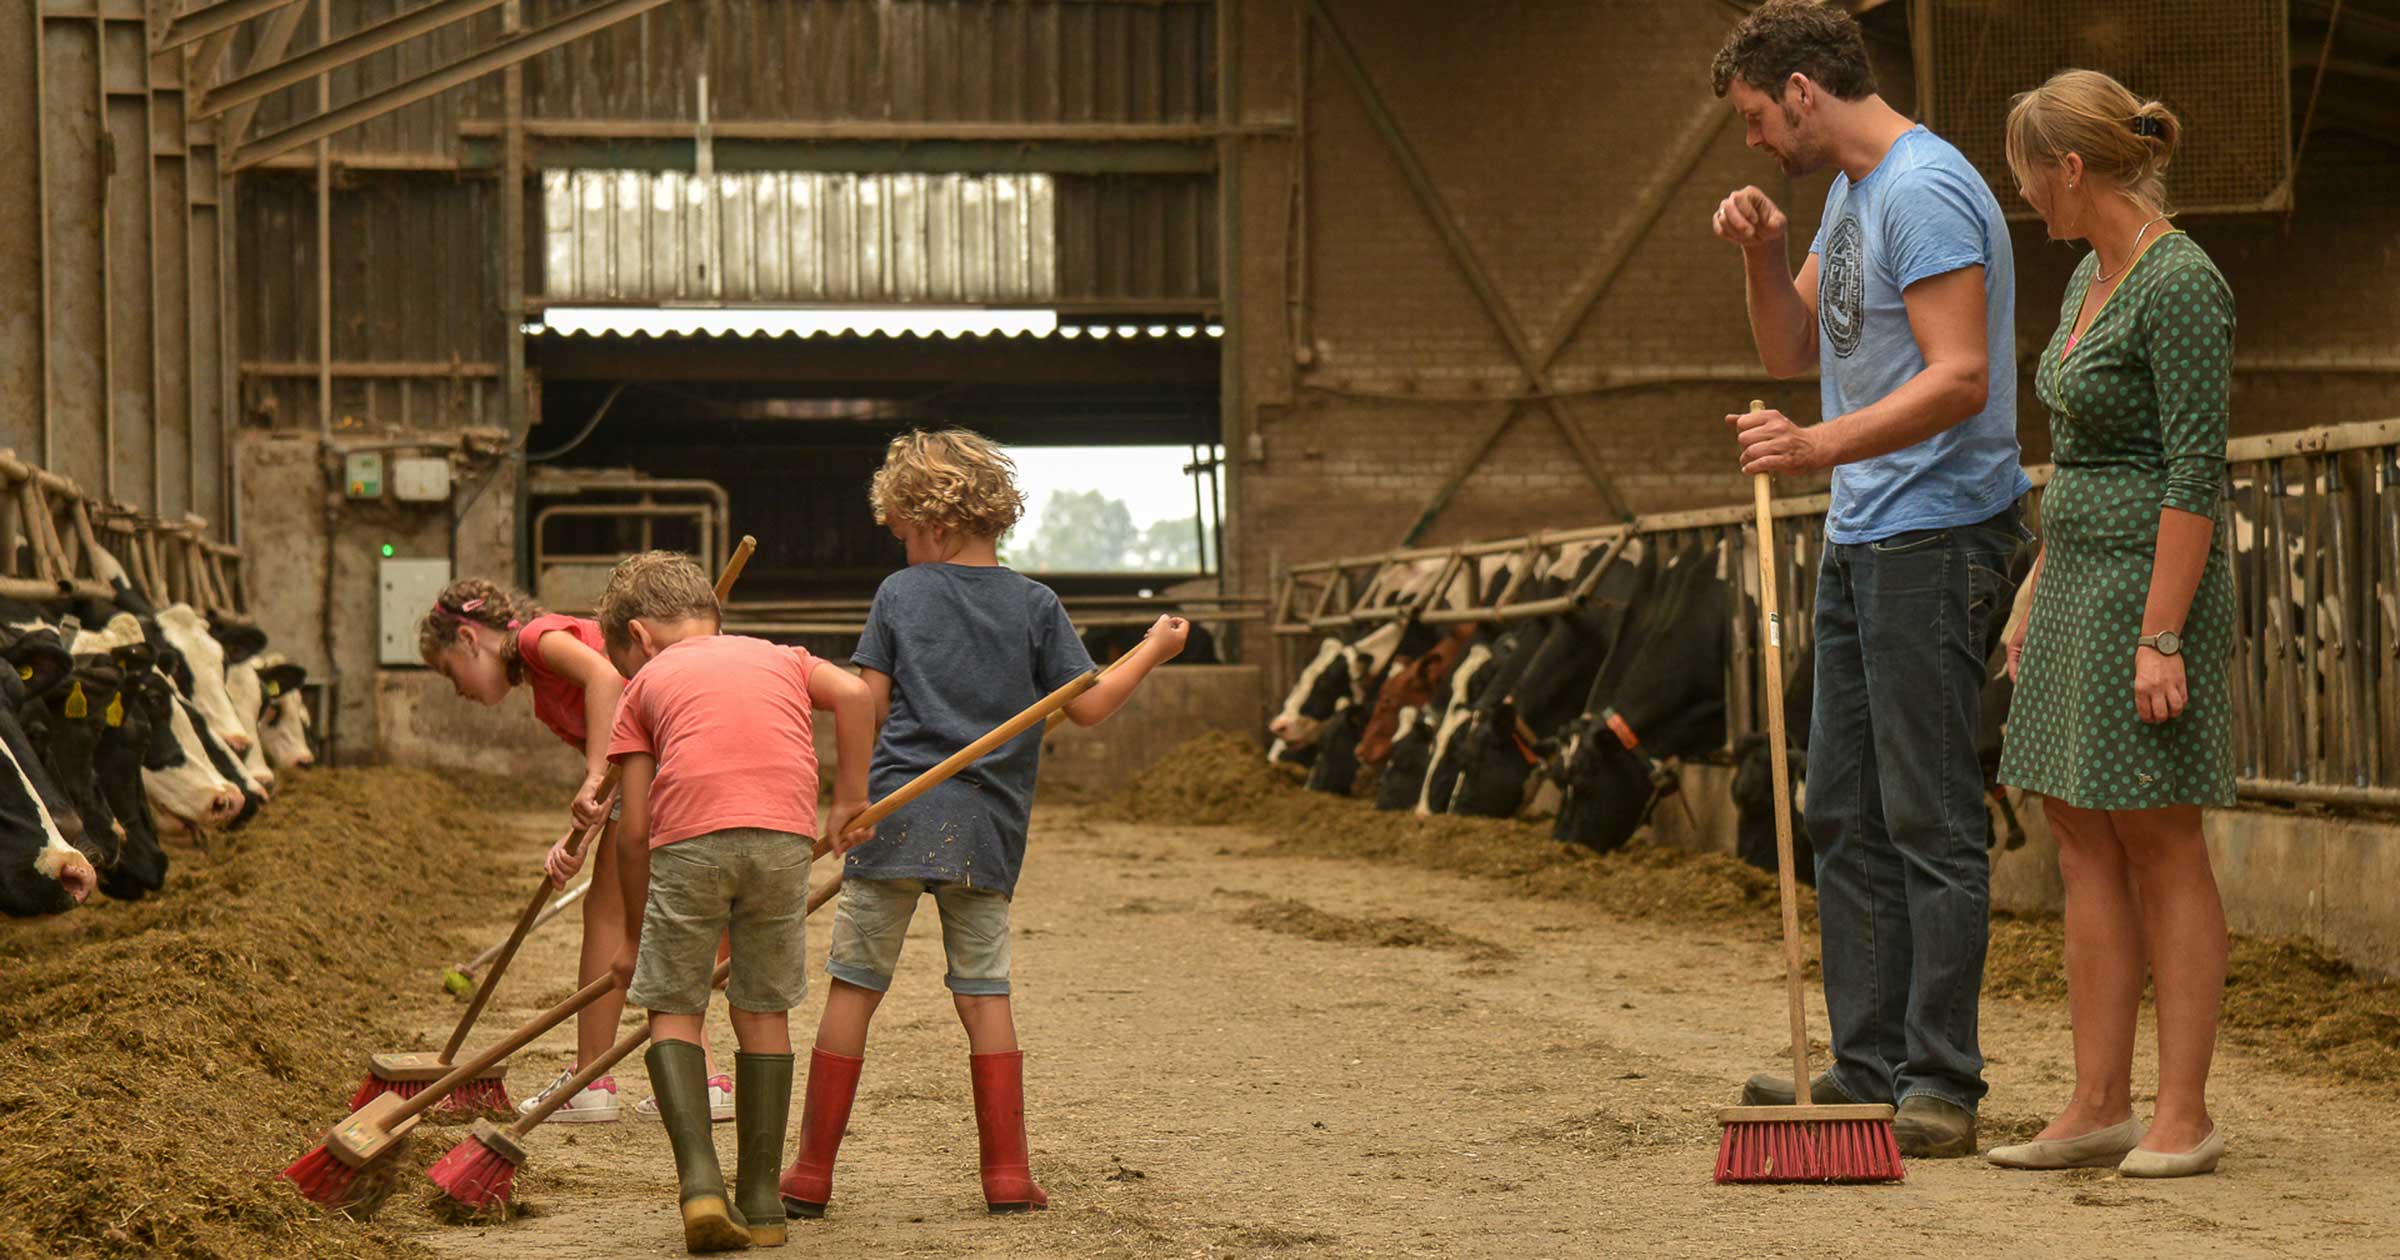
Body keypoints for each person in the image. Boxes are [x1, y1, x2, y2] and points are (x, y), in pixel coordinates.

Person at [1708, 0, 2029, 1157]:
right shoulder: (1845, 200)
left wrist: (1816, 450)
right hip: (1865, 533)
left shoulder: (1923, 188)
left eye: (1754, 117)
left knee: (1929, 811)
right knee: (1841, 804)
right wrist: (1758, 249)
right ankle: (1867, 1062)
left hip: (1936, 532)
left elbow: (1960, 376)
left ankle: (1939, 1079)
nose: (1753, 142)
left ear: (1800, 90)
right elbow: (1790, 352)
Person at [779, 430, 1187, 1219]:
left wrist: (849, 798)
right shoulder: (1034, 604)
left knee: (855, 984)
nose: (900, 549)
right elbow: (1093, 705)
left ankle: (809, 1174)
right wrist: (1152, 650)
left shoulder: (901, 596)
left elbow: (864, 702)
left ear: (930, 525)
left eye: (900, 533)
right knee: (984, 989)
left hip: (896, 815)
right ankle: (1006, 1176)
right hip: (987, 827)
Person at [1988, 71, 2234, 1179]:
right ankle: (2098, 1101)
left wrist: (2162, 635)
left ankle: (2183, 1110)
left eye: (2028, 178)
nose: (2025, 199)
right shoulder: (2089, 274)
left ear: (2070, 170)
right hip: (2077, 575)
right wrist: (2036, 589)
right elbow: (2078, 455)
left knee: (2159, 835)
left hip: (2149, 582)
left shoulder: (2183, 283)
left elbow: (2195, 468)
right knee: (2079, 829)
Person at [601, 550, 873, 1252]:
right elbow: (856, 696)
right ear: (712, 617)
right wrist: (850, 799)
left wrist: (633, 940)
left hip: (690, 842)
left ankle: (699, 1186)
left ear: (640, 637)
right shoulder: (781, 657)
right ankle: (761, 1201)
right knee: (762, 1007)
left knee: (675, 1007)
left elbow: (632, 834)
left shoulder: (643, 685)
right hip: (782, 840)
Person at [418, 579, 734, 1124]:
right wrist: (582, 835)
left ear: (470, 639)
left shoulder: (539, 638)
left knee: (611, 915)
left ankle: (594, 1079)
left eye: (450, 671)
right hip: (659, 763)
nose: (458, 690)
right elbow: (608, 754)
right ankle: (695, 1077)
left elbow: (607, 679)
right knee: (646, 916)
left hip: (661, 759)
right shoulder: (540, 675)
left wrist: (592, 781)